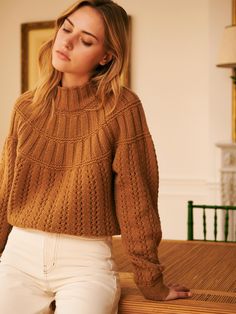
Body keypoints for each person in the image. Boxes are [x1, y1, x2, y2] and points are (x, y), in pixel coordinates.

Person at [0, 0, 191, 313]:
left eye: (86, 40)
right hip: (18, 258)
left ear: (106, 56)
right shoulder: (25, 107)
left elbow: (136, 197)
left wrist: (151, 280)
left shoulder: (122, 108)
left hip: (85, 266)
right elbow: (5, 189)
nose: (68, 41)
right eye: (67, 28)